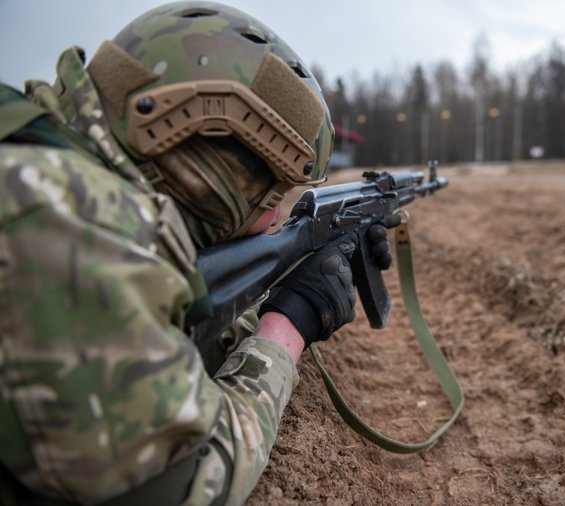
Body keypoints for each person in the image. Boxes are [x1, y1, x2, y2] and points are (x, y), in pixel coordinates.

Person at [0, 2, 393, 504]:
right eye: (266, 195)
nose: (274, 219)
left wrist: (291, 277)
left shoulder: (46, 167)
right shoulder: (58, 223)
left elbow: (160, 329)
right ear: (205, 171)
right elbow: (187, 479)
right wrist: (288, 325)